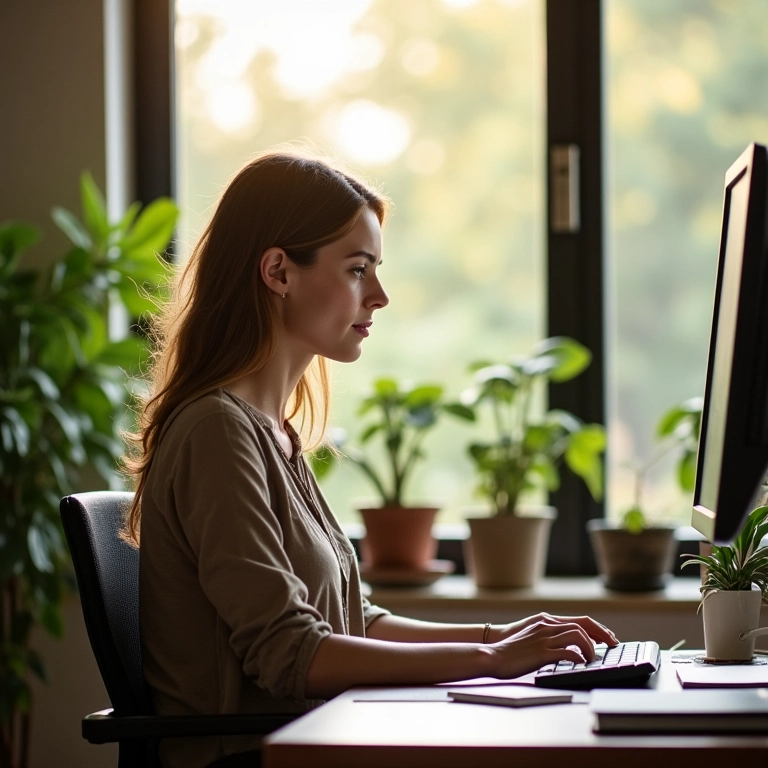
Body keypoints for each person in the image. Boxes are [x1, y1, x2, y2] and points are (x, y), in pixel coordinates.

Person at [123, 149, 618, 768]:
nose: (379, 295)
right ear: (278, 271)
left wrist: (500, 638)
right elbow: (292, 653)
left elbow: (354, 621)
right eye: (359, 269)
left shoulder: (270, 432)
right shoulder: (216, 433)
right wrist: (491, 662)